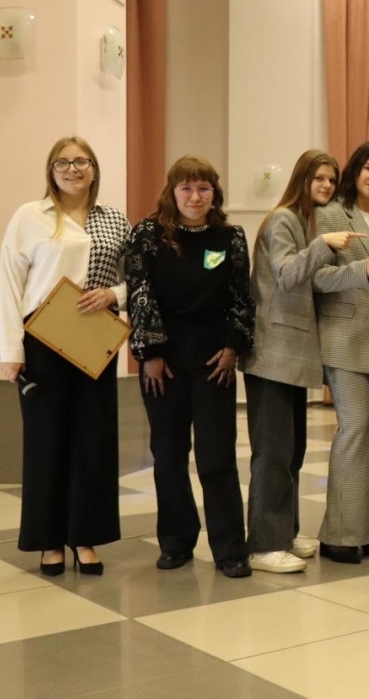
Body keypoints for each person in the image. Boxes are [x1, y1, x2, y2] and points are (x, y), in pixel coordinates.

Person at [0, 137, 129, 576]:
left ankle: (84, 537)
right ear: (51, 170)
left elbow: (140, 278)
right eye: (63, 162)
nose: (73, 169)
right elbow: (9, 285)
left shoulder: (114, 219)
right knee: (46, 440)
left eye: (81, 161)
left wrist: (114, 294)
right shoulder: (30, 216)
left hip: (95, 340)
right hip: (43, 340)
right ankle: (49, 540)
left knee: (93, 438)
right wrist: (11, 350)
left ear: (94, 169)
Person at [126, 156, 254, 578]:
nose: (195, 197)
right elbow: (140, 292)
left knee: (217, 455)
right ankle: (176, 541)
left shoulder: (230, 237)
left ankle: (230, 548)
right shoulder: (148, 233)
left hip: (215, 358)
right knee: (168, 453)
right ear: (172, 191)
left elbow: (241, 297)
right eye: (186, 188)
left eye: (203, 188)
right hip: (163, 357)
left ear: (214, 193)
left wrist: (233, 346)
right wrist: (150, 353)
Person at [240, 150, 361, 574]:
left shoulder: (306, 221)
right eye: (319, 178)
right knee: (273, 453)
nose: (327, 186)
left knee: (291, 451)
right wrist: (324, 245)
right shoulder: (283, 219)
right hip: (272, 353)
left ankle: (284, 533)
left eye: (332, 180)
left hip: (292, 356)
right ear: (302, 179)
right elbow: (287, 273)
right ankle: (263, 544)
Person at [311, 140, 369, 564]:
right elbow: (316, 277)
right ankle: (338, 536)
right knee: (354, 430)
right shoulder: (330, 214)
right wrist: (361, 269)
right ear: (355, 170)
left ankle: (361, 530)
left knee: (368, 435)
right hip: (344, 339)